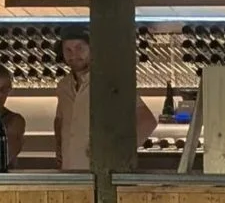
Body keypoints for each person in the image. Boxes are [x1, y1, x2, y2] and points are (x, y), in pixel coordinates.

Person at [53, 28, 157, 171]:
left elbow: (147, 121)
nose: (74, 55)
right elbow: (60, 120)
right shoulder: (63, 86)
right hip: (70, 173)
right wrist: (59, 149)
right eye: (68, 50)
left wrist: (119, 152)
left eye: (79, 48)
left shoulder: (112, 82)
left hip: (104, 172)